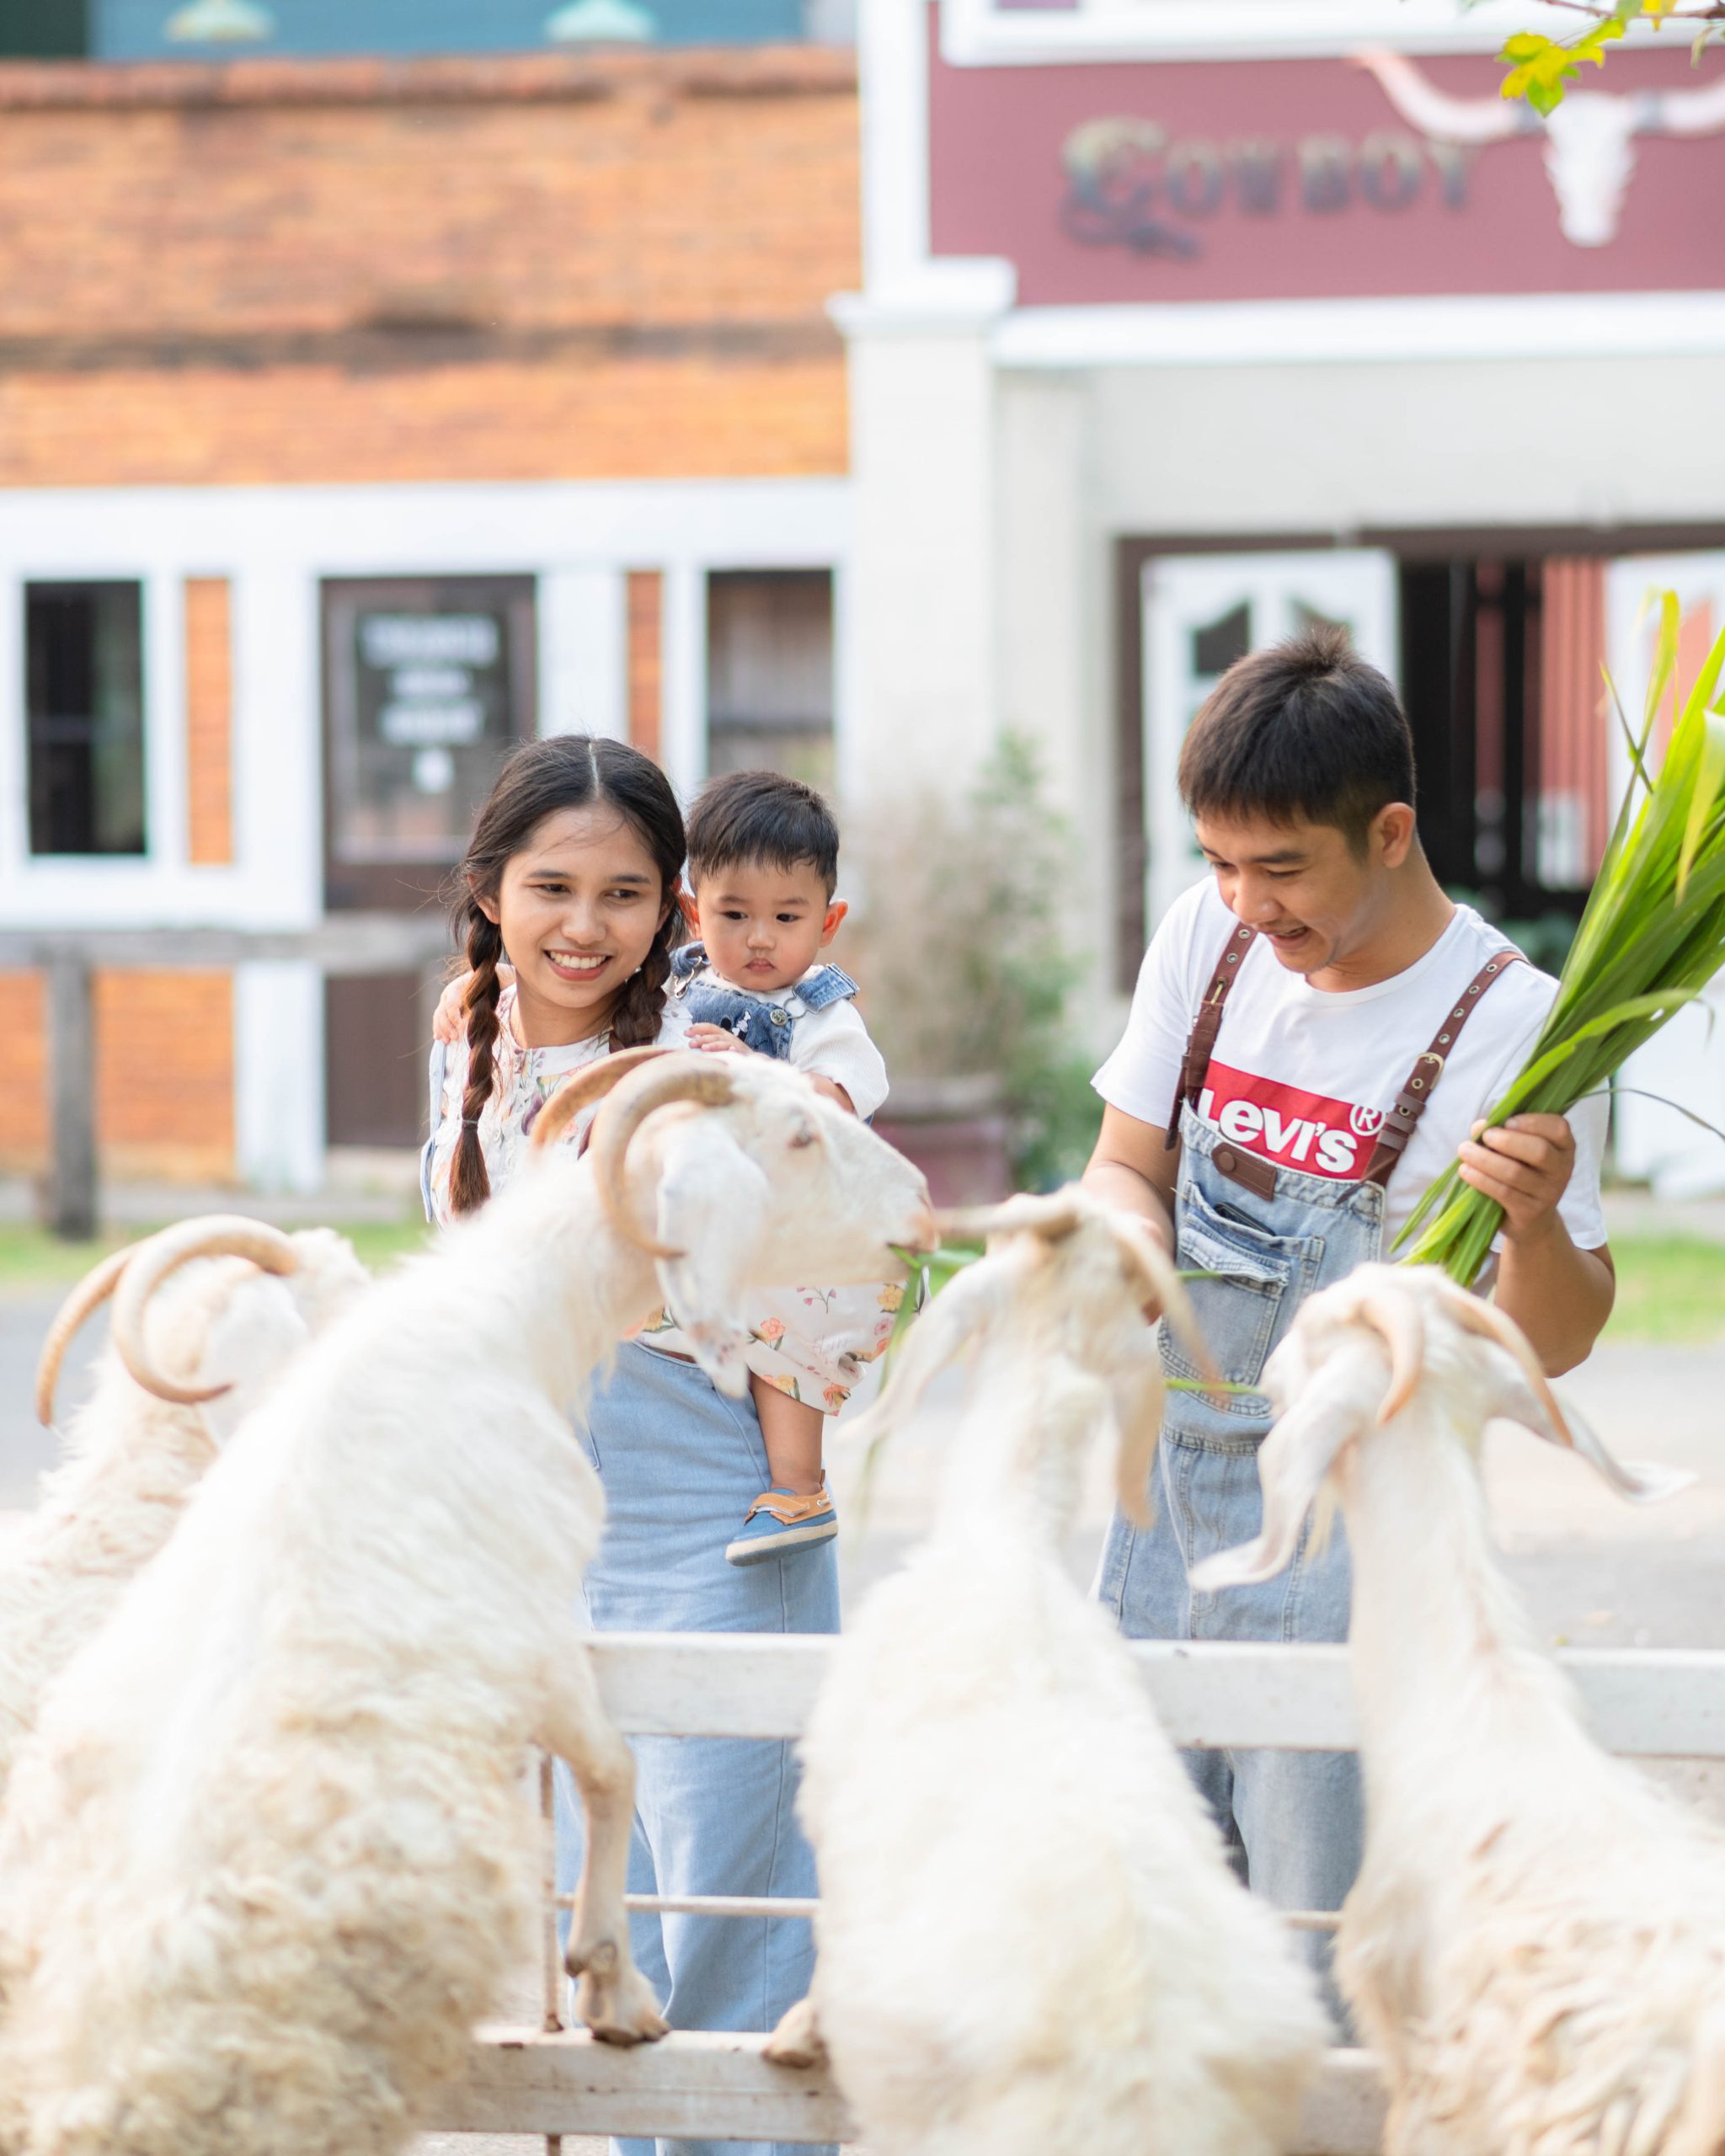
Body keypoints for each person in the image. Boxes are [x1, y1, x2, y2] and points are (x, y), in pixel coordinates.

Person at [1083, 627, 1612, 2000]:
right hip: (1159, 1514)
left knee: (1315, 1971)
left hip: (1354, 1562)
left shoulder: (1517, 1027)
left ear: (1387, 832)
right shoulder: (1206, 941)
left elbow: (1550, 1339)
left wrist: (1538, 1219)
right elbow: (1124, 1166)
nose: (1243, 903)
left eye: (1279, 869)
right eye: (1217, 862)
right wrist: (1129, 1261)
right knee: (1135, 1940)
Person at [421, 733, 835, 2156]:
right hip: (539, 1530)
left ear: (673, 905)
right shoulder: (463, 1023)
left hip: (712, 1520)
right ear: (489, 891)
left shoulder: (707, 1056)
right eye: (551, 889)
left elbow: (824, 1279)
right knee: (599, 1934)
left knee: (731, 1927)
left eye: (626, 894)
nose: (585, 928)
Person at [669, 769, 891, 1566]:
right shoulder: (676, 986)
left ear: (827, 922)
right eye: (734, 915)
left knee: (787, 1348)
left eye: (786, 917)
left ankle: (800, 1489)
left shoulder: (822, 1013)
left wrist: (759, 1074)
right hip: (709, 1207)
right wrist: (480, 989)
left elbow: (840, 1100)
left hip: (797, 1225)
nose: (760, 938)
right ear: (695, 910)